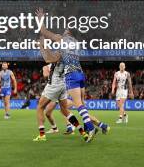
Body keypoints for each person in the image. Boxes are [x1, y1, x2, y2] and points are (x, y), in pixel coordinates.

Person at [36, 7, 98, 143]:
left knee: (76, 105)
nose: (62, 32)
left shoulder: (62, 39)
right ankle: (86, 129)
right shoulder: (76, 43)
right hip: (79, 73)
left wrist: (40, 21)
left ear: (68, 32)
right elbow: (59, 56)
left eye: (65, 30)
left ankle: (89, 127)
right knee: (67, 109)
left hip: (68, 77)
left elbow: (45, 36)